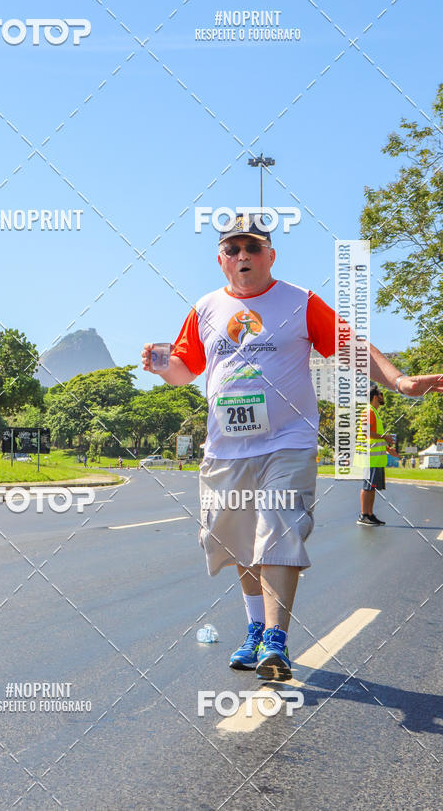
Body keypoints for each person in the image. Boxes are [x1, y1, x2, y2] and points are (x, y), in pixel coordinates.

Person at [141, 212, 443, 681]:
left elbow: (352, 346)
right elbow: (186, 369)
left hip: (288, 441)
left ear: (270, 256)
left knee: (279, 528)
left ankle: (276, 640)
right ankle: (255, 630)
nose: (243, 256)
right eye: (233, 249)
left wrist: (400, 381)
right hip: (227, 448)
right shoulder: (204, 309)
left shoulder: (300, 302)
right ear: (221, 260)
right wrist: (163, 367)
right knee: (240, 540)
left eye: (253, 248)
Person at [354, 385, 398, 526]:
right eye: (381, 393)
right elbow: (366, 433)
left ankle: (370, 514)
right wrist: (385, 437)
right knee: (367, 486)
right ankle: (363, 515)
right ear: (375, 396)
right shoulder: (369, 411)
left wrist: (387, 448)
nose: (382, 396)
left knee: (371, 487)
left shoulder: (374, 412)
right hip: (370, 458)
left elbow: (373, 439)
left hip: (375, 458)